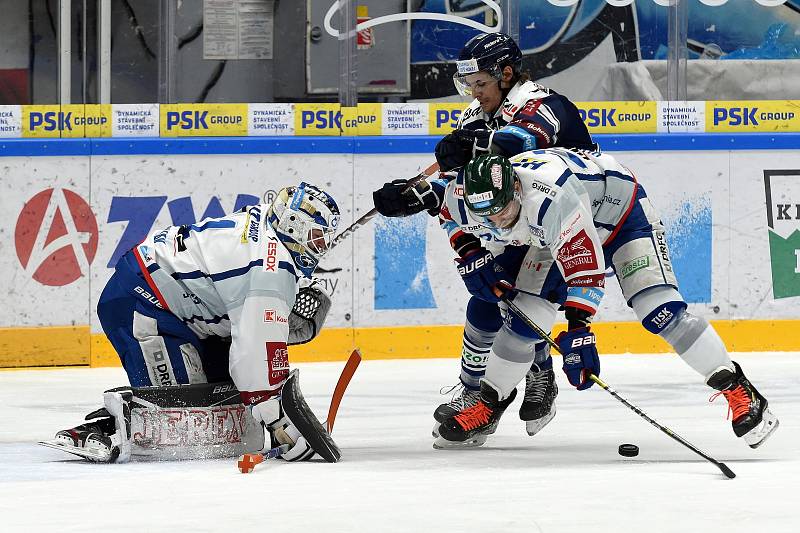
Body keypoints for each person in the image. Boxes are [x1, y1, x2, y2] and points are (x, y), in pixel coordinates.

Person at [432, 149, 779, 450]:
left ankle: (738, 388)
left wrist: (579, 329)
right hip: (552, 237)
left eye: (502, 211)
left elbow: (585, 272)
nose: (496, 221)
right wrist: (467, 249)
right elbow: (448, 214)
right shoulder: (466, 196)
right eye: (486, 215)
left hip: (621, 220)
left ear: (517, 189)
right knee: (525, 319)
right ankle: (490, 403)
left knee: (660, 310)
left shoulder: (551, 201)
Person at [373, 31, 595, 437]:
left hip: (562, 234)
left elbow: (524, 139)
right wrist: (417, 199)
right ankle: (478, 392)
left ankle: (516, 386)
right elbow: (454, 199)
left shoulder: (547, 105)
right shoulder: (474, 120)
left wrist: (472, 145)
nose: (475, 95)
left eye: (481, 84)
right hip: (511, 227)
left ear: (506, 74)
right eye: (470, 86)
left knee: (523, 315)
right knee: (484, 305)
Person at [48, 182, 341, 462]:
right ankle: (106, 431)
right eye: (317, 236)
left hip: (182, 313)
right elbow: (255, 355)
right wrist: (280, 425)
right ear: (294, 226)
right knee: (189, 420)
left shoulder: (268, 222)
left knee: (228, 406)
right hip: (143, 304)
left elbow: (243, 315)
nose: (322, 246)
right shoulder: (269, 271)